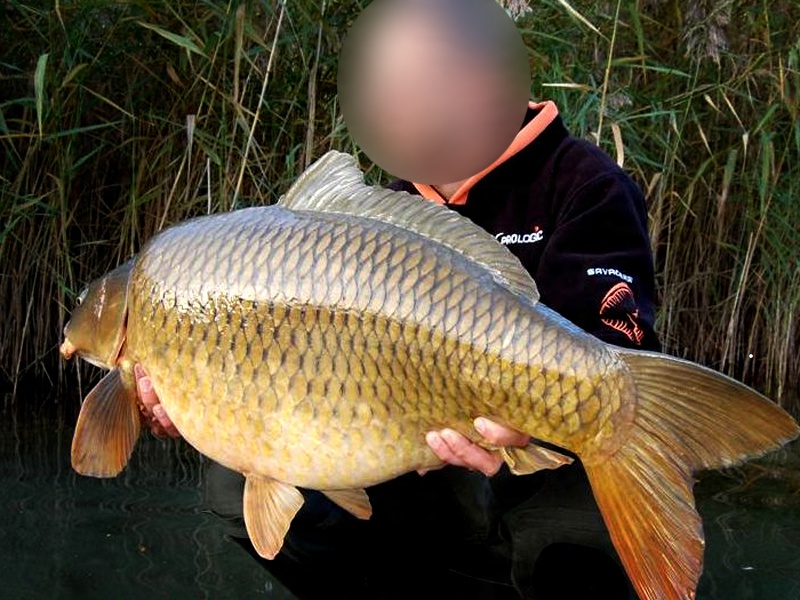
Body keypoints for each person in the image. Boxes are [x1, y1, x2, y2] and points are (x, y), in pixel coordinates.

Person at [136, 2, 660, 598]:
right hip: (417, 459)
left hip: (542, 464)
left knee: (567, 532)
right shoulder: (386, 209)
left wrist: (522, 420)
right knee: (236, 484)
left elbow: (606, 341)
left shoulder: (584, 182)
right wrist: (203, 401)